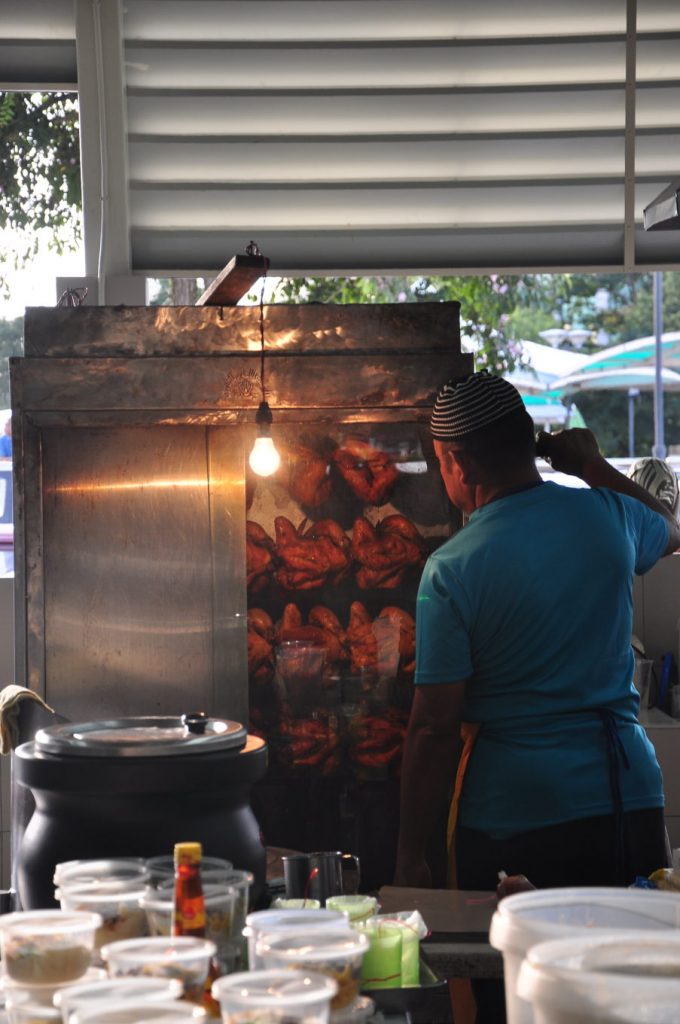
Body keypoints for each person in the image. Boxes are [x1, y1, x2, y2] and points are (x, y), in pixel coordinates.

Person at [394, 371, 680, 1022]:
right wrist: (589, 464)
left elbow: (434, 729)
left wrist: (412, 851)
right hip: (624, 800)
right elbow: (670, 522)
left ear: (458, 463)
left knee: (521, 999)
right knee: (635, 994)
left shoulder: (453, 569)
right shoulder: (607, 516)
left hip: (515, 820)